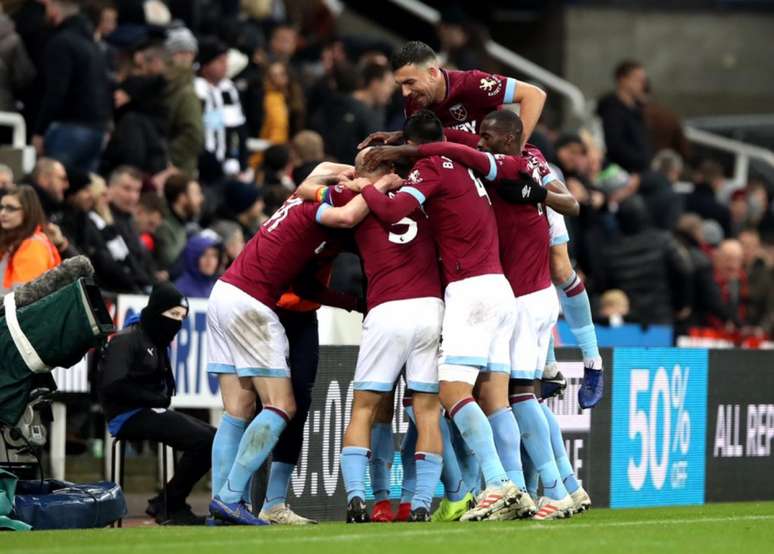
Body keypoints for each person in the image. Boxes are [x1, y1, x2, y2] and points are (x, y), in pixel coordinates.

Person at [361, 41, 603, 409]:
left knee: (558, 264)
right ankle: (545, 364)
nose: (405, 93)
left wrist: (514, 154)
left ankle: (592, 362)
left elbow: (534, 94)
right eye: (400, 86)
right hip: (479, 182)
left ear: (432, 71)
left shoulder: (472, 84)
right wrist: (398, 140)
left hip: (512, 170)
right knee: (505, 269)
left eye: (410, 83)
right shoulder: (417, 102)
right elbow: (438, 142)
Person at [354, 110, 522, 521]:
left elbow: (394, 213)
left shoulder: (429, 167)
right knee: (495, 400)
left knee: (451, 394)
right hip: (501, 289)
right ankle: (519, 488)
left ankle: (498, 483)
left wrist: (367, 188)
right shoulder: (466, 163)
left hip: (471, 291)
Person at [297, 154, 445, 523]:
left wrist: (347, 181)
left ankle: (360, 499)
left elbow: (303, 191)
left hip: (387, 311)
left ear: (367, 173)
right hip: (430, 309)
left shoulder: (353, 200)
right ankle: (421, 502)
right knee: (426, 412)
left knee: (365, 408)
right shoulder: (423, 198)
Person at [206, 182, 362, 526]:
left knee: (245, 410)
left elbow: (319, 178)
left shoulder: (299, 202)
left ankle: (241, 505)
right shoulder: (322, 215)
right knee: (281, 406)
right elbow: (344, 212)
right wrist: (377, 184)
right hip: (263, 306)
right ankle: (231, 500)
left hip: (240, 296)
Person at [96, 282, 215, 525]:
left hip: (147, 410)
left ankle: (169, 502)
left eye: (181, 317)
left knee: (214, 438)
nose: (177, 322)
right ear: (157, 310)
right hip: (127, 415)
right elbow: (112, 385)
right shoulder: (126, 340)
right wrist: (154, 398)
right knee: (207, 440)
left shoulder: (153, 338)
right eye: (173, 315)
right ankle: (169, 504)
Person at [33, 0, 111, 172]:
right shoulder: (93, 45)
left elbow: (56, 91)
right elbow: (106, 87)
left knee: (52, 183)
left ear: (54, 9)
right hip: (96, 130)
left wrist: (40, 131)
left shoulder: (61, 42)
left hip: (69, 128)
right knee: (83, 193)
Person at [195, 37, 247, 183]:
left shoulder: (228, 89)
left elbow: (238, 128)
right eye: (219, 61)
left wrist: (240, 163)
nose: (225, 65)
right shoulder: (197, 90)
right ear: (205, 65)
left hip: (228, 164)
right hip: (204, 165)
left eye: (226, 61)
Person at [0, 185, 61, 294]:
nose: (3, 213)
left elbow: (24, 300)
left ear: (28, 211)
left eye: (11, 208)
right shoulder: (14, 241)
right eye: (2, 207)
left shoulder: (33, 245)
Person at [596, 60, 652, 173]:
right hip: (621, 172)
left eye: (643, 80)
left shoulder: (637, 110)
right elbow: (616, 147)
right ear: (623, 80)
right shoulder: (611, 109)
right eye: (638, 80)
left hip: (640, 170)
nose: (642, 84)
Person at [163, 24, 204, 177]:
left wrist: (164, 156)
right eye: (180, 52)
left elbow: (194, 136)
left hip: (178, 171)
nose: (186, 57)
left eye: (190, 52)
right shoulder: (168, 85)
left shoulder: (187, 90)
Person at [155, 174, 203, 271]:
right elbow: (171, 263)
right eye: (197, 193)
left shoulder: (191, 225)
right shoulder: (163, 227)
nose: (201, 199)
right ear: (182, 198)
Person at [174, 230, 222, 298]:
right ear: (192, 258)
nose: (209, 260)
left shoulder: (218, 287)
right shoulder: (180, 289)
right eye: (204, 255)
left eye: (214, 255)